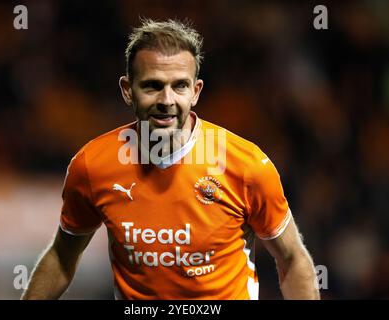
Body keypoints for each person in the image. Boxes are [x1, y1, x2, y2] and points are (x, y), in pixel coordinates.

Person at [22, 19, 320, 300]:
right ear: (128, 90)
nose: (166, 100)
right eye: (152, 86)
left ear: (196, 92)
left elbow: (292, 259)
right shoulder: (92, 165)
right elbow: (62, 257)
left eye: (179, 86)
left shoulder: (246, 165)